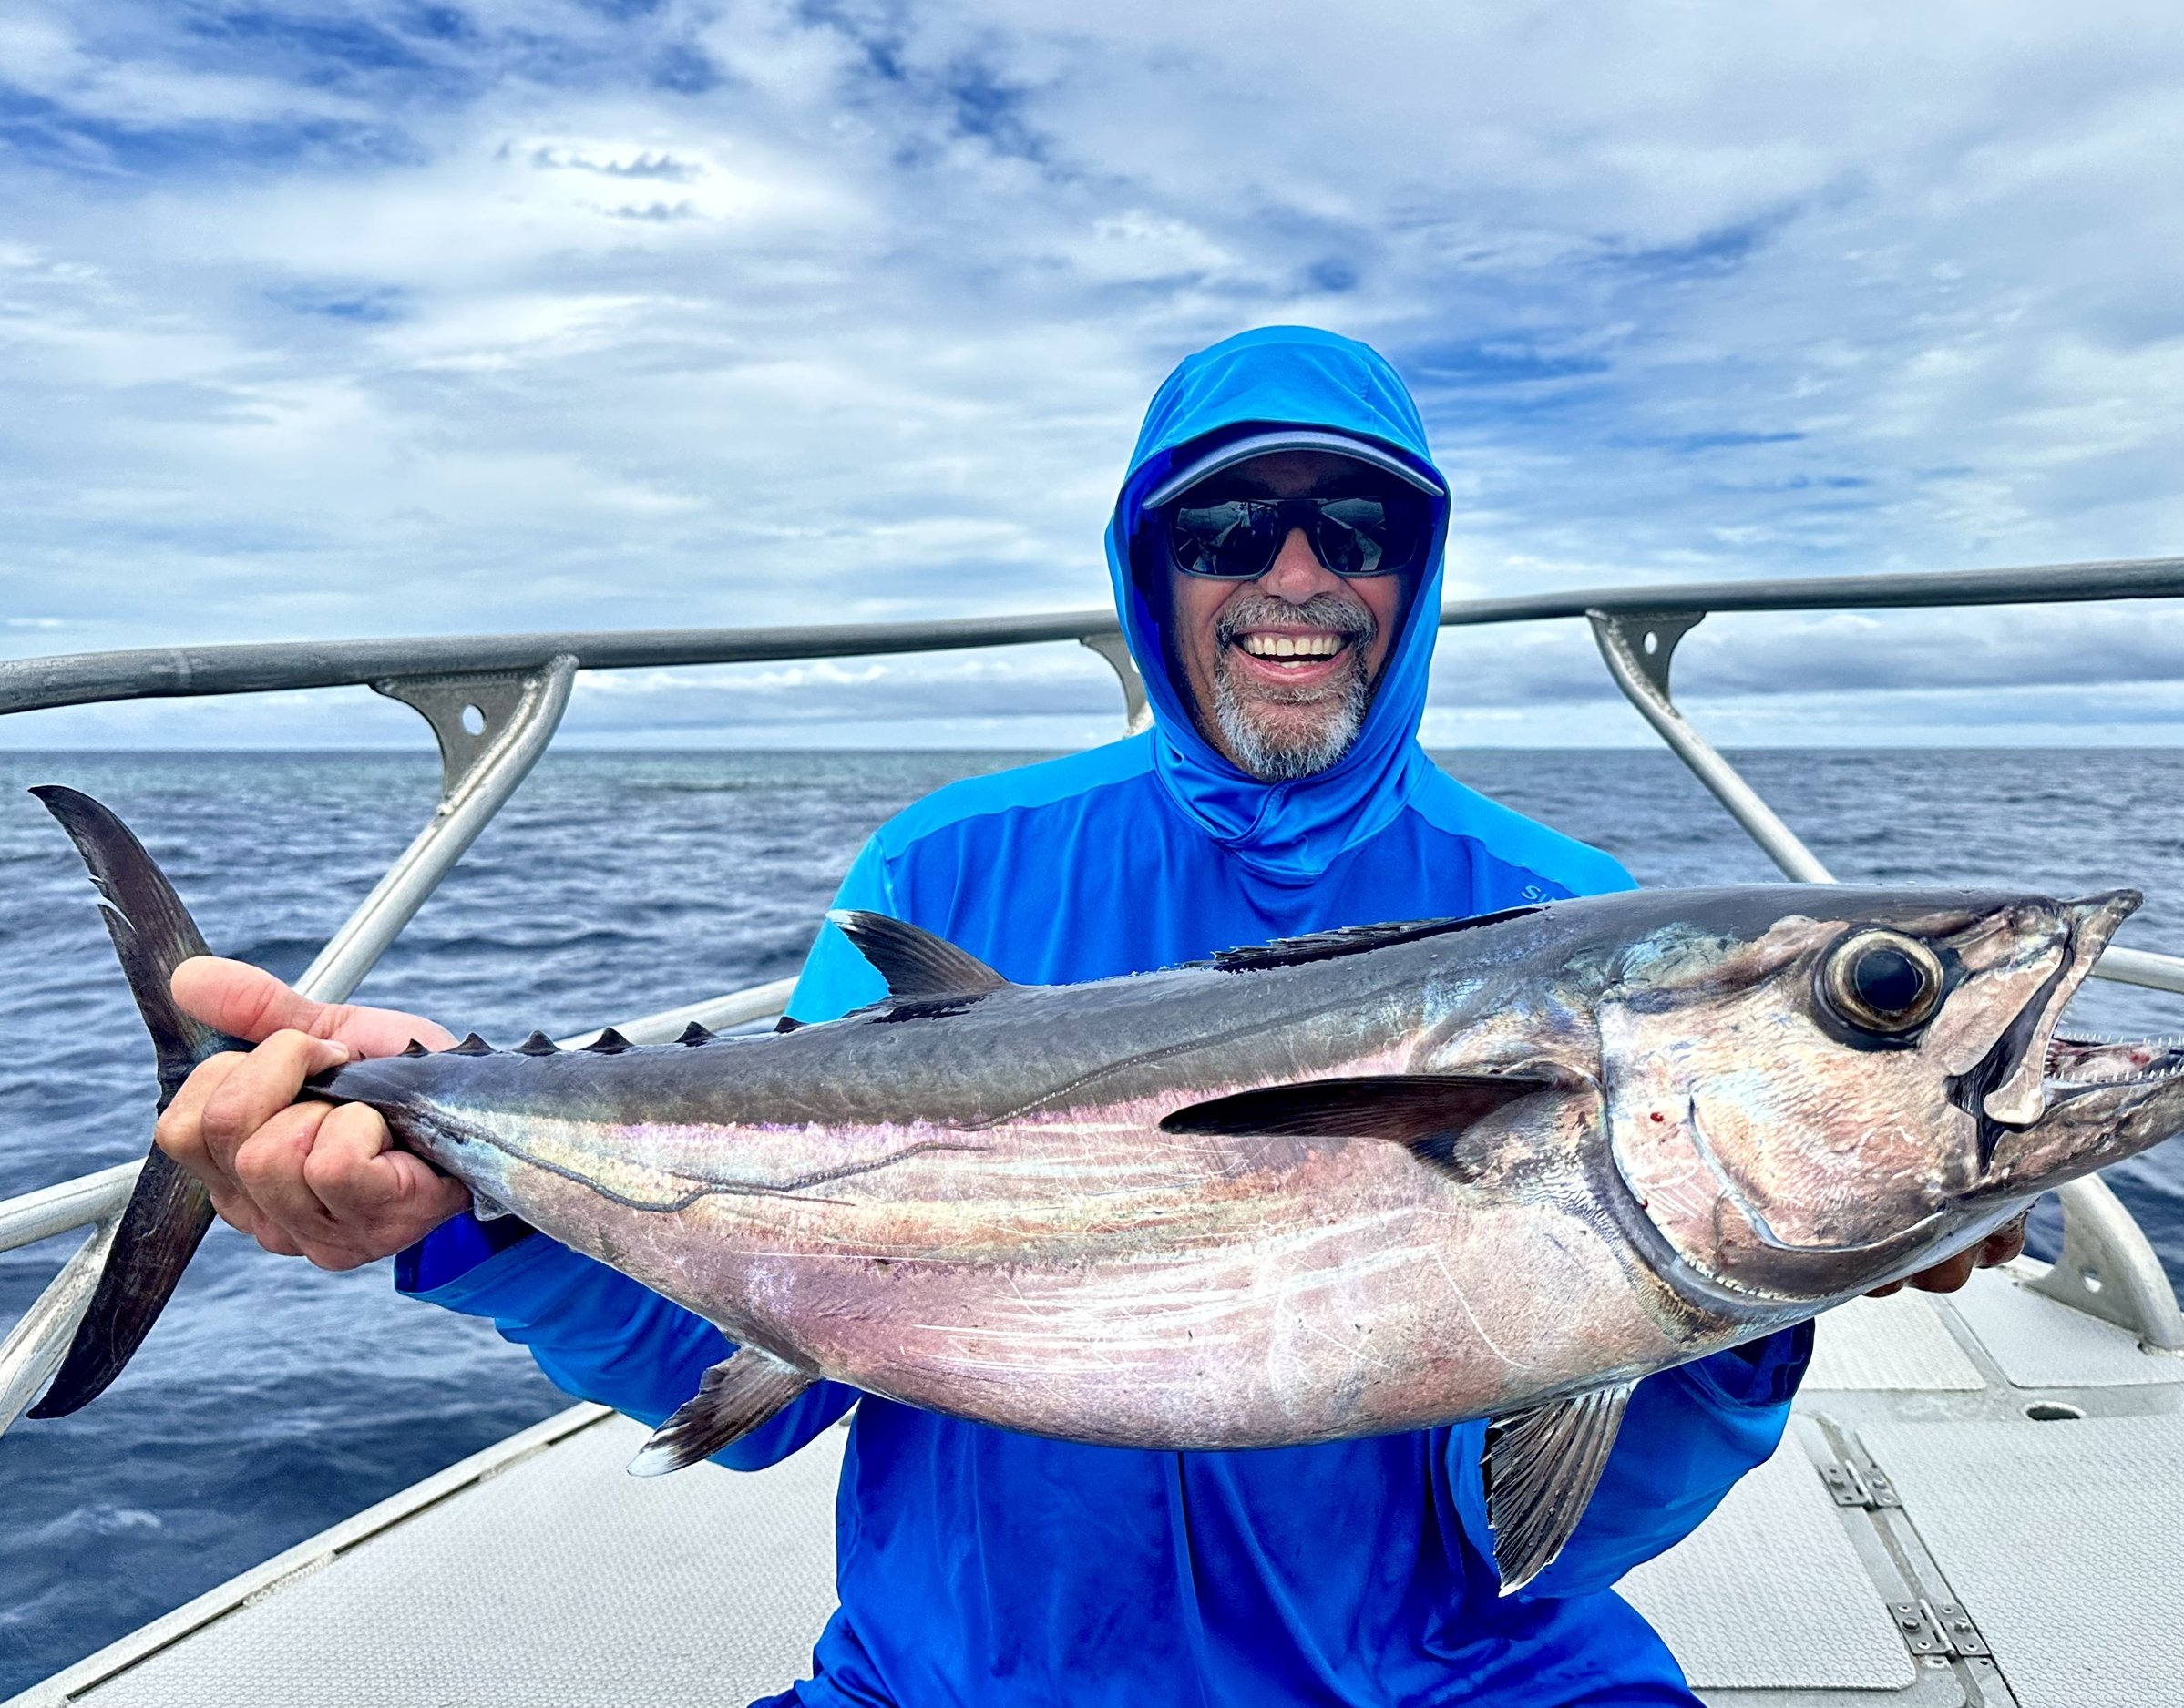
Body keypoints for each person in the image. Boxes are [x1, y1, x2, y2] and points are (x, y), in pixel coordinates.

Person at [159, 326, 2025, 1707]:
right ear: (1153, 567)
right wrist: (459, 1205)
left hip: (1458, 1683)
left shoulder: (1562, 907)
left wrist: (1758, 1296)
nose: (1293, 576)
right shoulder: (952, 866)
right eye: (1231, 525)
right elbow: (728, 1393)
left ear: (1415, 571)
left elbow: (1560, 1525)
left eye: (1350, 525)